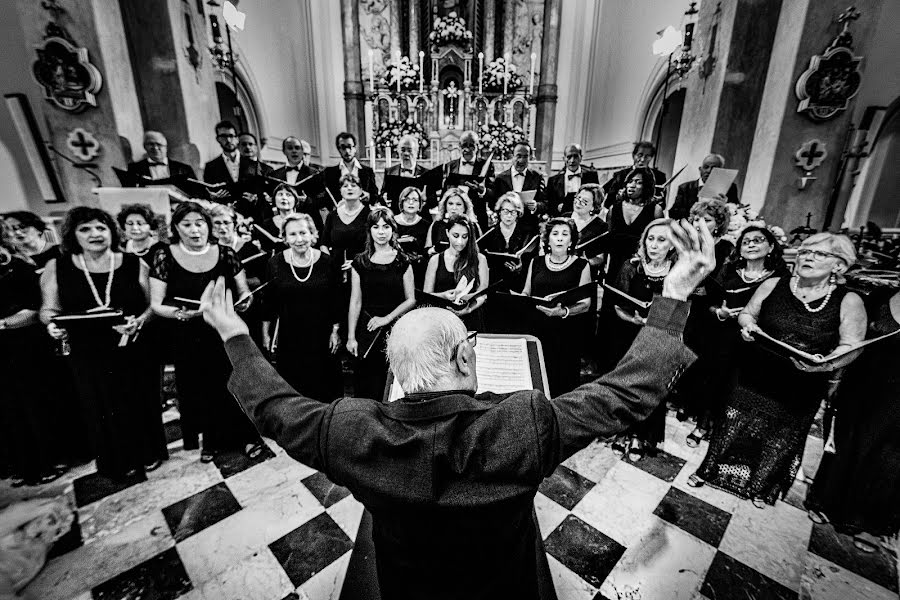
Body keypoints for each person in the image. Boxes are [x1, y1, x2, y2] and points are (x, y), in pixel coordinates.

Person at [197, 218, 715, 600]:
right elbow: (625, 393)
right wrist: (673, 296)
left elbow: (274, 408)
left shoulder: (351, 430)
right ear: (467, 355)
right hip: (501, 583)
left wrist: (236, 337)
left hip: (409, 586)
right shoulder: (523, 422)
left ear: (396, 377)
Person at [689, 233, 867, 507]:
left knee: (781, 435)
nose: (808, 257)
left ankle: (761, 486)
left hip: (803, 380)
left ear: (839, 266)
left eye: (819, 254)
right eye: (805, 251)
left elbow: (853, 346)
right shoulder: (774, 284)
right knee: (732, 422)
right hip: (756, 369)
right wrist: (747, 326)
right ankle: (710, 469)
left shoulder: (849, 300)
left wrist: (827, 363)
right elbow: (748, 313)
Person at [41, 207, 161, 480]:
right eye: (85, 229)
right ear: (73, 235)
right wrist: (52, 326)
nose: (95, 234)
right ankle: (113, 458)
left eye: (100, 228)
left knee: (139, 399)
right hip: (86, 351)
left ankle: (148, 451)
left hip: (130, 344)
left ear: (111, 232)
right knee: (100, 405)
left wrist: (140, 321)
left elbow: (152, 305)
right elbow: (48, 309)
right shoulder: (57, 266)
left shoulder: (133, 263)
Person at [149, 202, 263, 462]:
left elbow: (243, 289)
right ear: (176, 227)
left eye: (199, 223)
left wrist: (245, 299)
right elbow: (157, 303)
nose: (194, 230)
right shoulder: (165, 255)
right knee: (201, 388)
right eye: (187, 224)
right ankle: (212, 440)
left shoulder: (225, 253)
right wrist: (178, 312)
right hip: (189, 333)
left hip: (223, 330)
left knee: (235, 385)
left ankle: (247, 436)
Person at [804, 289, 900, 552]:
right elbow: (851, 341)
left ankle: (869, 523)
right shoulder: (880, 298)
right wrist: (836, 379)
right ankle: (825, 501)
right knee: (845, 444)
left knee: (888, 459)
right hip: (861, 386)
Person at [683, 224, 789, 447]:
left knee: (741, 386)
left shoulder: (780, 277)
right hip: (722, 335)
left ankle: (729, 429)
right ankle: (702, 425)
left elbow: (782, 310)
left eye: (758, 240)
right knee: (715, 378)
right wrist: (720, 313)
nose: (751, 244)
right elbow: (708, 303)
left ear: (771, 247)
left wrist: (753, 319)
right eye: (746, 241)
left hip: (755, 339)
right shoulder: (729, 271)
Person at [607, 219, 676, 459]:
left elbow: (683, 313)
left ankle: (641, 434)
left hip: (661, 338)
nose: (654, 245)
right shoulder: (631, 266)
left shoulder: (677, 273)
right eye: (650, 238)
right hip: (629, 333)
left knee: (650, 387)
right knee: (627, 385)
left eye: (661, 239)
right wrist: (634, 319)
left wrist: (655, 321)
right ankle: (622, 430)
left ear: (673, 244)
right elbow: (618, 305)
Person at [0, 239, 66, 486]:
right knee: (6, 411)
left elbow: (34, 309)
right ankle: (19, 464)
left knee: (32, 405)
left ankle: (47, 460)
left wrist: (3, 323)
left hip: (23, 346)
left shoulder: (18, 267)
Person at [262, 213, 342, 401]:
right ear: (284, 238)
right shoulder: (274, 263)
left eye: (303, 233)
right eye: (292, 234)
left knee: (324, 392)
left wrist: (336, 331)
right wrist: (266, 333)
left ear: (313, 234)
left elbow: (337, 301)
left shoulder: (327, 262)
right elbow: (269, 302)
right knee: (293, 392)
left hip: (322, 338)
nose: (299, 239)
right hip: (290, 338)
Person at [674, 200, 734, 434]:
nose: (698, 224)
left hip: (712, 314)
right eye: (695, 219)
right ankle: (684, 400)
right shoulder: (690, 245)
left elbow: (727, 282)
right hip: (689, 308)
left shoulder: (726, 249)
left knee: (706, 361)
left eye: (706, 220)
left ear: (719, 224)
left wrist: (706, 291)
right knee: (685, 355)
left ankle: (701, 409)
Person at [347, 207, 415, 400]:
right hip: (368, 330)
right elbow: (355, 301)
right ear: (370, 230)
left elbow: (411, 299)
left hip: (395, 328)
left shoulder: (403, 261)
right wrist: (351, 336)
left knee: (391, 383)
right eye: (376, 227)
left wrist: (386, 318)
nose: (381, 231)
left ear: (393, 230)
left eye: (386, 226)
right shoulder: (360, 262)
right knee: (366, 384)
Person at [520, 217, 592, 396]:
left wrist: (564, 311)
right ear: (548, 239)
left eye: (565, 234)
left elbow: (585, 303)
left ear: (571, 241)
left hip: (566, 333)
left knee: (563, 384)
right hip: (537, 330)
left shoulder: (581, 265)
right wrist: (519, 299)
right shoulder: (535, 262)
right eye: (555, 234)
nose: (560, 238)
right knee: (538, 382)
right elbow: (526, 292)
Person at [211, 204, 266, 348]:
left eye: (226, 222)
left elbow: (260, 280)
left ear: (234, 224)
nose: (222, 227)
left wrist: (238, 280)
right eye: (217, 223)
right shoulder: (208, 250)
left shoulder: (250, 249)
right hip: (219, 311)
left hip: (246, 308)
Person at [424, 214, 490, 331]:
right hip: (442, 321)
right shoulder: (435, 260)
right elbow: (427, 295)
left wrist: (469, 309)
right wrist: (443, 296)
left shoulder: (480, 259)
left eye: (465, 237)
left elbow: (483, 294)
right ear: (447, 232)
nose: (460, 241)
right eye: (455, 236)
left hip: (471, 319)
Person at [604, 167, 664, 282]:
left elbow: (659, 242)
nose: (632, 185)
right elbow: (608, 240)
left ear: (646, 186)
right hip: (615, 266)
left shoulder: (655, 210)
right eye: (630, 181)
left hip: (640, 267)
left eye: (638, 182)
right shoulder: (614, 209)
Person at [441, 130, 495, 230]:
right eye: (464, 145)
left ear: (478, 146)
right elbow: (445, 193)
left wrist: (482, 190)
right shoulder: (450, 166)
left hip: (477, 218)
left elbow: (493, 193)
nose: (467, 149)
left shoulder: (486, 166)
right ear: (459, 145)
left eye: (471, 145)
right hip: (454, 218)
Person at [491, 143, 546, 233]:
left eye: (525, 157)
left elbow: (545, 203)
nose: (521, 160)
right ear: (512, 156)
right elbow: (493, 203)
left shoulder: (537, 177)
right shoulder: (501, 178)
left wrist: (536, 206)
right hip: (506, 227)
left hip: (529, 227)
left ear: (530, 158)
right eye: (518, 156)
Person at [668, 154, 740, 220]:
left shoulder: (730, 188)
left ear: (721, 171)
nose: (709, 171)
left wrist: (724, 207)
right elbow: (673, 213)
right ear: (700, 169)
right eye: (706, 167)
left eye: (714, 168)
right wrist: (696, 209)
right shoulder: (685, 188)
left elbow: (737, 212)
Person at [602, 141, 667, 209]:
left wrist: (658, 201)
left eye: (647, 156)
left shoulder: (659, 177)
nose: (642, 159)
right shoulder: (620, 175)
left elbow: (662, 205)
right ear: (633, 155)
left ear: (651, 158)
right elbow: (608, 203)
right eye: (640, 155)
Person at [322, 132, 379, 207]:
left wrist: (369, 196)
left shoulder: (367, 171)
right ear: (339, 149)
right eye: (343, 147)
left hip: (363, 215)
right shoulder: (330, 172)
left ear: (355, 148)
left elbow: (375, 195)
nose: (347, 151)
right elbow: (326, 198)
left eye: (349, 147)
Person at [259, 184, 320, 251]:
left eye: (288, 195)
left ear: (295, 200)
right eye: (280, 194)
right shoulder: (266, 224)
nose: (284, 198)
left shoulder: (305, 220)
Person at [546, 143, 600, 217]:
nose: (572, 160)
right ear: (564, 158)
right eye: (569, 157)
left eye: (575, 156)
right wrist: (557, 207)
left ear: (581, 157)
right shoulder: (553, 180)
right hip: (563, 219)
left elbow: (597, 199)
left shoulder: (591, 176)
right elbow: (548, 204)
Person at [233, 132, 275, 223]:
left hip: (263, 217)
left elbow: (272, 196)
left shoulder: (268, 170)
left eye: (250, 144)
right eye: (243, 144)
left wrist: (258, 198)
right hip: (239, 217)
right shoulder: (233, 170)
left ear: (256, 147)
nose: (247, 147)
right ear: (238, 147)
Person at [202, 121, 249, 202]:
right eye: (223, 136)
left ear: (237, 139)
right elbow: (209, 194)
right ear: (218, 139)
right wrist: (213, 197)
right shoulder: (211, 167)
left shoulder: (251, 164)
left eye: (231, 136)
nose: (228, 140)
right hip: (225, 211)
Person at [569, 184, 609, 277]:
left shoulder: (601, 227)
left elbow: (600, 258)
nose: (578, 202)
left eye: (585, 201)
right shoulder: (564, 218)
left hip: (585, 274)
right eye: (578, 198)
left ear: (593, 207)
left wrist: (586, 262)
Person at [426, 187, 482, 253]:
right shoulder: (437, 225)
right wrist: (433, 250)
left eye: (458, 204)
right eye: (450, 204)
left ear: (465, 207)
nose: (454, 208)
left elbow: (480, 252)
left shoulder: (473, 226)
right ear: (445, 206)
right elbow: (427, 250)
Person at [394, 186, 430, 286]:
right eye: (407, 200)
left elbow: (427, 251)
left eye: (415, 200)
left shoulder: (426, 225)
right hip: (395, 267)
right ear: (401, 203)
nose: (411, 203)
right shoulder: (392, 222)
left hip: (417, 269)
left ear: (420, 205)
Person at [126, 131, 196, 181]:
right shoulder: (134, 169)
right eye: (151, 144)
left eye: (159, 144)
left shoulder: (184, 169)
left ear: (166, 147)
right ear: (144, 147)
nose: (155, 148)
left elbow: (197, 192)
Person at [382, 135, 427, 212]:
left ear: (416, 152)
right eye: (403, 150)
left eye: (409, 150)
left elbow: (433, 202)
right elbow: (382, 196)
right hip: (395, 216)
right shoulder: (390, 172)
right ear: (398, 152)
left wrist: (424, 199)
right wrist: (384, 198)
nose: (406, 153)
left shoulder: (426, 174)